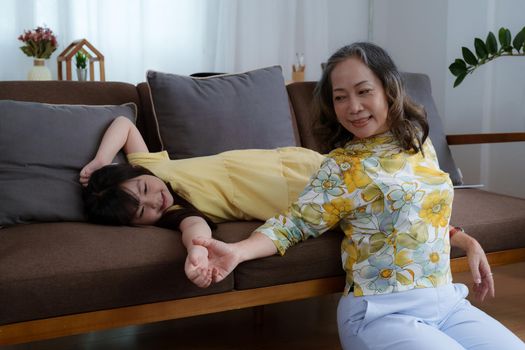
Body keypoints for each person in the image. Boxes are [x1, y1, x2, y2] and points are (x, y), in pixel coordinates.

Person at [190, 42, 525, 350]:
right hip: (380, 313)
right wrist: (235, 252)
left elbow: (420, 215)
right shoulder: (340, 167)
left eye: (364, 91)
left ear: (388, 89)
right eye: (340, 97)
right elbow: (292, 225)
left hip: (448, 303)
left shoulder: (418, 144)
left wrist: (467, 241)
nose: (353, 107)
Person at [79, 116, 325, 288]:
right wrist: (197, 251)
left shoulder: (153, 166)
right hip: (291, 196)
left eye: (144, 188)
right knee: (349, 196)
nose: (155, 201)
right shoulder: (176, 213)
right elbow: (196, 229)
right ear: (136, 225)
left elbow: (123, 124)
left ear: (135, 170)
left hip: (285, 163)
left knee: (352, 166)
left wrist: (101, 160)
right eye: (143, 211)